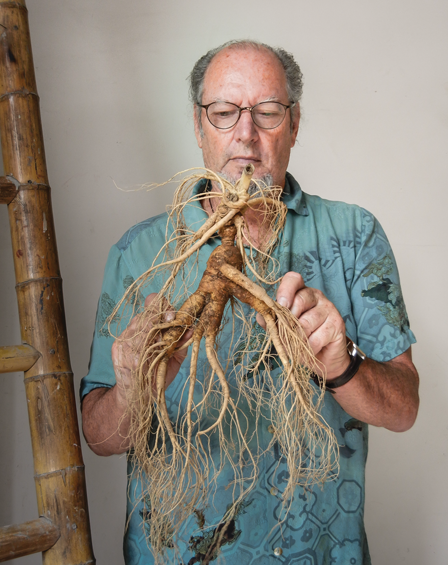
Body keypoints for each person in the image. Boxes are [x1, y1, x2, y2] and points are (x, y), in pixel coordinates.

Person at [79, 40, 419, 563]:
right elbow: (100, 438)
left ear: (295, 123)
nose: (246, 134)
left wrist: (342, 364)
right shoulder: (140, 252)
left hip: (323, 550)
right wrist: (130, 392)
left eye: (267, 112)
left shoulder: (353, 236)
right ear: (198, 126)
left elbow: (403, 409)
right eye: (223, 113)